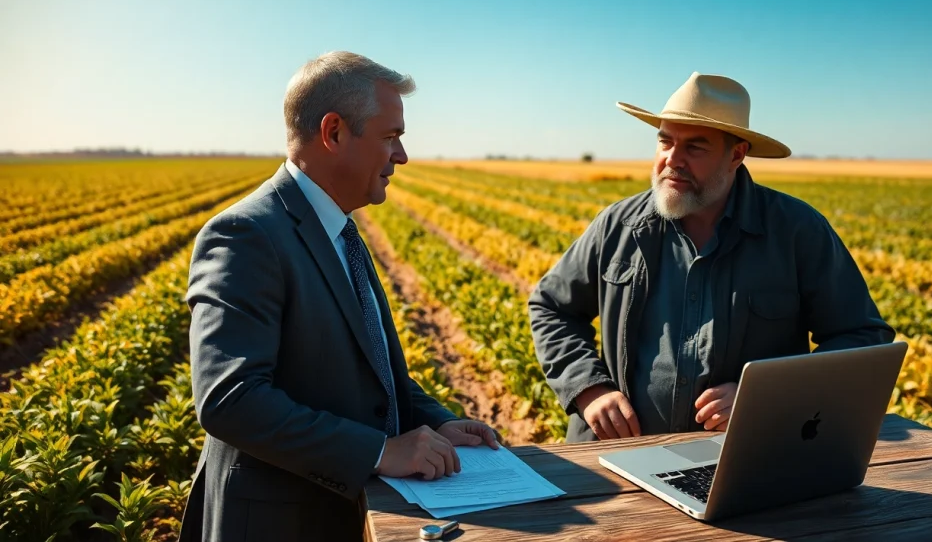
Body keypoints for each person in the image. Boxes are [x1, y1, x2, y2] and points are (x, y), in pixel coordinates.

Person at [178, 51, 498, 542]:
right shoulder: (246, 234)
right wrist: (378, 451)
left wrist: (438, 424)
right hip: (276, 524)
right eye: (391, 137)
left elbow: (378, 378)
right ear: (333, 133)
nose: (402, 156)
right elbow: (230, 398)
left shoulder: (342, 232)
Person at [528, 72, 895, 443]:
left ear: (735, 154)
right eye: (665, 142)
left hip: (741, 457)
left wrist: (768, 396)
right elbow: (550, 307)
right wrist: (589, 389)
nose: (673, 159)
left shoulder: (797, 230)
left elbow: (862, 337)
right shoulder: (617, 225)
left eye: (695, 147)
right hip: (613, 453)